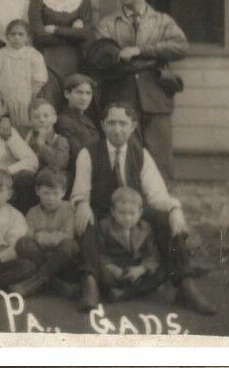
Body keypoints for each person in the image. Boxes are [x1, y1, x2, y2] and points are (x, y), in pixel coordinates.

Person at [70, 101, 215, 315]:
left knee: (167, 221)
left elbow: (157, 196)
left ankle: (185, 285)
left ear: (133, 125)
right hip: (104, 210)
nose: (117, 129)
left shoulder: (141, 154)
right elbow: (81, 189)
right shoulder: (88, 153)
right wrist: (82, 203)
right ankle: (89, 281)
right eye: (111, 123)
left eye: (122, 123)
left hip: (134, 212)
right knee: (84, 218)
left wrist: (175, 209)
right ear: (102, 125)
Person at [93, 0, 188, 184]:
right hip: (121, 95)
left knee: (159, 156)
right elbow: (99, 54)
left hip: (155, 93)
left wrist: (141, 51)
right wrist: (123, 56)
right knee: (124, 155)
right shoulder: (108, 23)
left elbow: (180, 47)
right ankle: (127, 210)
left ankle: (162, 210)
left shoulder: (162, 21)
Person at [28, 0, 93, 107]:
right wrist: (72, 33)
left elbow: (86, 35)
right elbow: (39, 36)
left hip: (75, 61)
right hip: (47, 60)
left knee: (73, 103)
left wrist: (55, 29)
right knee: (48, 104)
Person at [12, 169, 80, 299]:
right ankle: (58, 286)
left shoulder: (69, 209)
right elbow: (28, 236)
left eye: (55, 193)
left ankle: (36, 281)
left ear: (64, 192)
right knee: (23, 243)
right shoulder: (33, 212)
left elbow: (68, 236)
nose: (51, 198)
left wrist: (40, 236)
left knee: (68, 245)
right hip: (41, 258)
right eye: (46, 193)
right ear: (37, 191)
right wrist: (52, 237)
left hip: (63, 261)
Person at [96, 185, 166, 301]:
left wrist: (141, 269)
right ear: (113, 211)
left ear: (140, 212)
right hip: (115, 270)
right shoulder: (105, 226)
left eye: (132, 213)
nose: (127, 218)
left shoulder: (145, 228)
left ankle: (124, 294)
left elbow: (151, 253)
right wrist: (112, 268)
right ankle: (128, 291)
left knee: (162, 272)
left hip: (135, 271)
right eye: (122, 213)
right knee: (100, 273)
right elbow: (100, 251)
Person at [0, 19, 47, 130]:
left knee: (24, 126)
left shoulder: (33, 55)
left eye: (21, 34)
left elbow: (39, 80)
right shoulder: (0, 54)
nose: (16, 37)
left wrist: (33, 98)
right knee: (5, 127)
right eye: (13, 34)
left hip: (25, 99)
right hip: (5, 98)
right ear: (7, 36)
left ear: (28, 37)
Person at [57, 73, 101, 172]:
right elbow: (77, 154)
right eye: (79, 92)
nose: (84, 98)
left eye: (88, 93)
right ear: (67, 94)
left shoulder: (87, 119)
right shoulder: (64, 121)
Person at [24, 97, 70, 178]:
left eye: (46, 116)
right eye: (36, 117)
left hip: (51, 181)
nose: (42, 120)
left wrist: (42, 145)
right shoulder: (28, 138)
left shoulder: (61, 141)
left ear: (54, 118)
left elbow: (59, 165)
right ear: (30, 121)